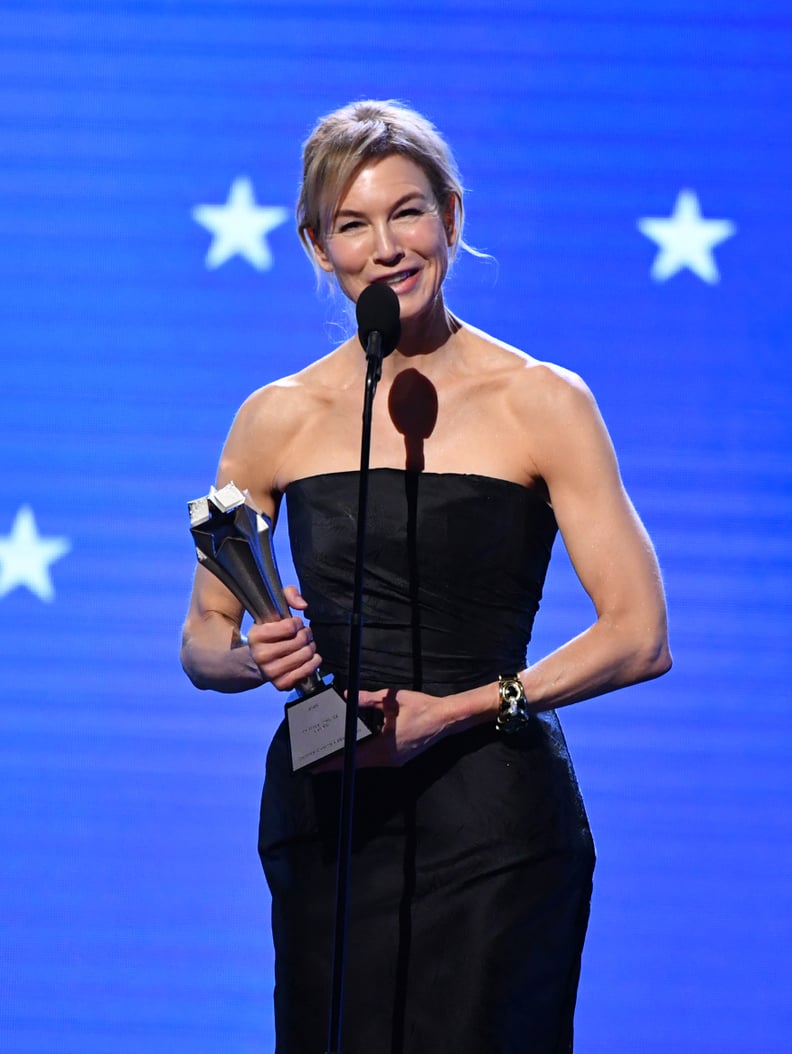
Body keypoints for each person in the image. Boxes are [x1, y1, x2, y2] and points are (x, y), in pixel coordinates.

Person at [181, 99, 671, 1054]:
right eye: (353, 224)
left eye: (408, 212)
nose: (387, 247)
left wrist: (455, 711)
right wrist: (253, 659)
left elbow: (638, 633)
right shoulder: (273, 418)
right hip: (330, 811)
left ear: (451, 214)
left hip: (493, 823)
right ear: (319, 247)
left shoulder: (542, 399)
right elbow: (204, 634)